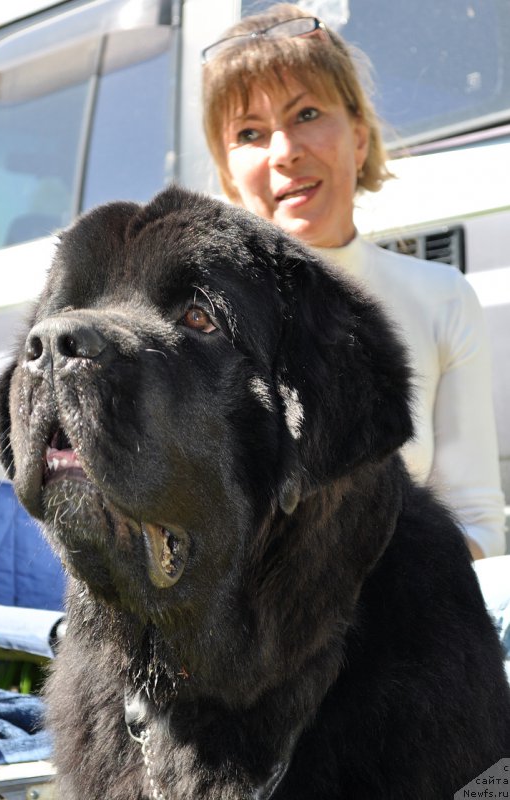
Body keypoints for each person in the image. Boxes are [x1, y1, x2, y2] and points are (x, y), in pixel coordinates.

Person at [201, 3, 506, 559]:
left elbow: (481, 530)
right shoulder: (199, 325)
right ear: (227, 173)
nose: (285, 151)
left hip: (406, 624)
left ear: (359, 137)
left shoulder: (443, 300)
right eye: (250, 132)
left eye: (307, 114)